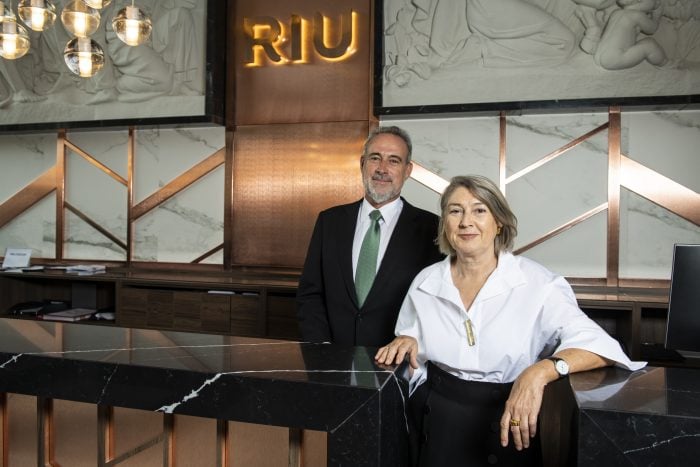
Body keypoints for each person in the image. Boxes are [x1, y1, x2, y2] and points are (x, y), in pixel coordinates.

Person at [375, 175, 645, 466]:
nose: (466, 221)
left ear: (499, 222)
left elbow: (600, 347)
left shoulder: (538, 283)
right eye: (455, 211)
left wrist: (540, 372)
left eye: (479, 210)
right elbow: (410, 350)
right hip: (436, 422)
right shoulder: (425, 281)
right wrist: (408, 340)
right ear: (445, 223)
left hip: (511, 418)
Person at [296, 126, 443, 347]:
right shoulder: (330, 221)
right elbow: (310, 293)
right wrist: (321, 348)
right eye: (376, 158)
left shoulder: (432, 228)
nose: (382, 169)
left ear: (407, 170)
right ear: (362, 163)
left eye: (394, 161)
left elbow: (434, 303)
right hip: (332, 360)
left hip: (396, 364)